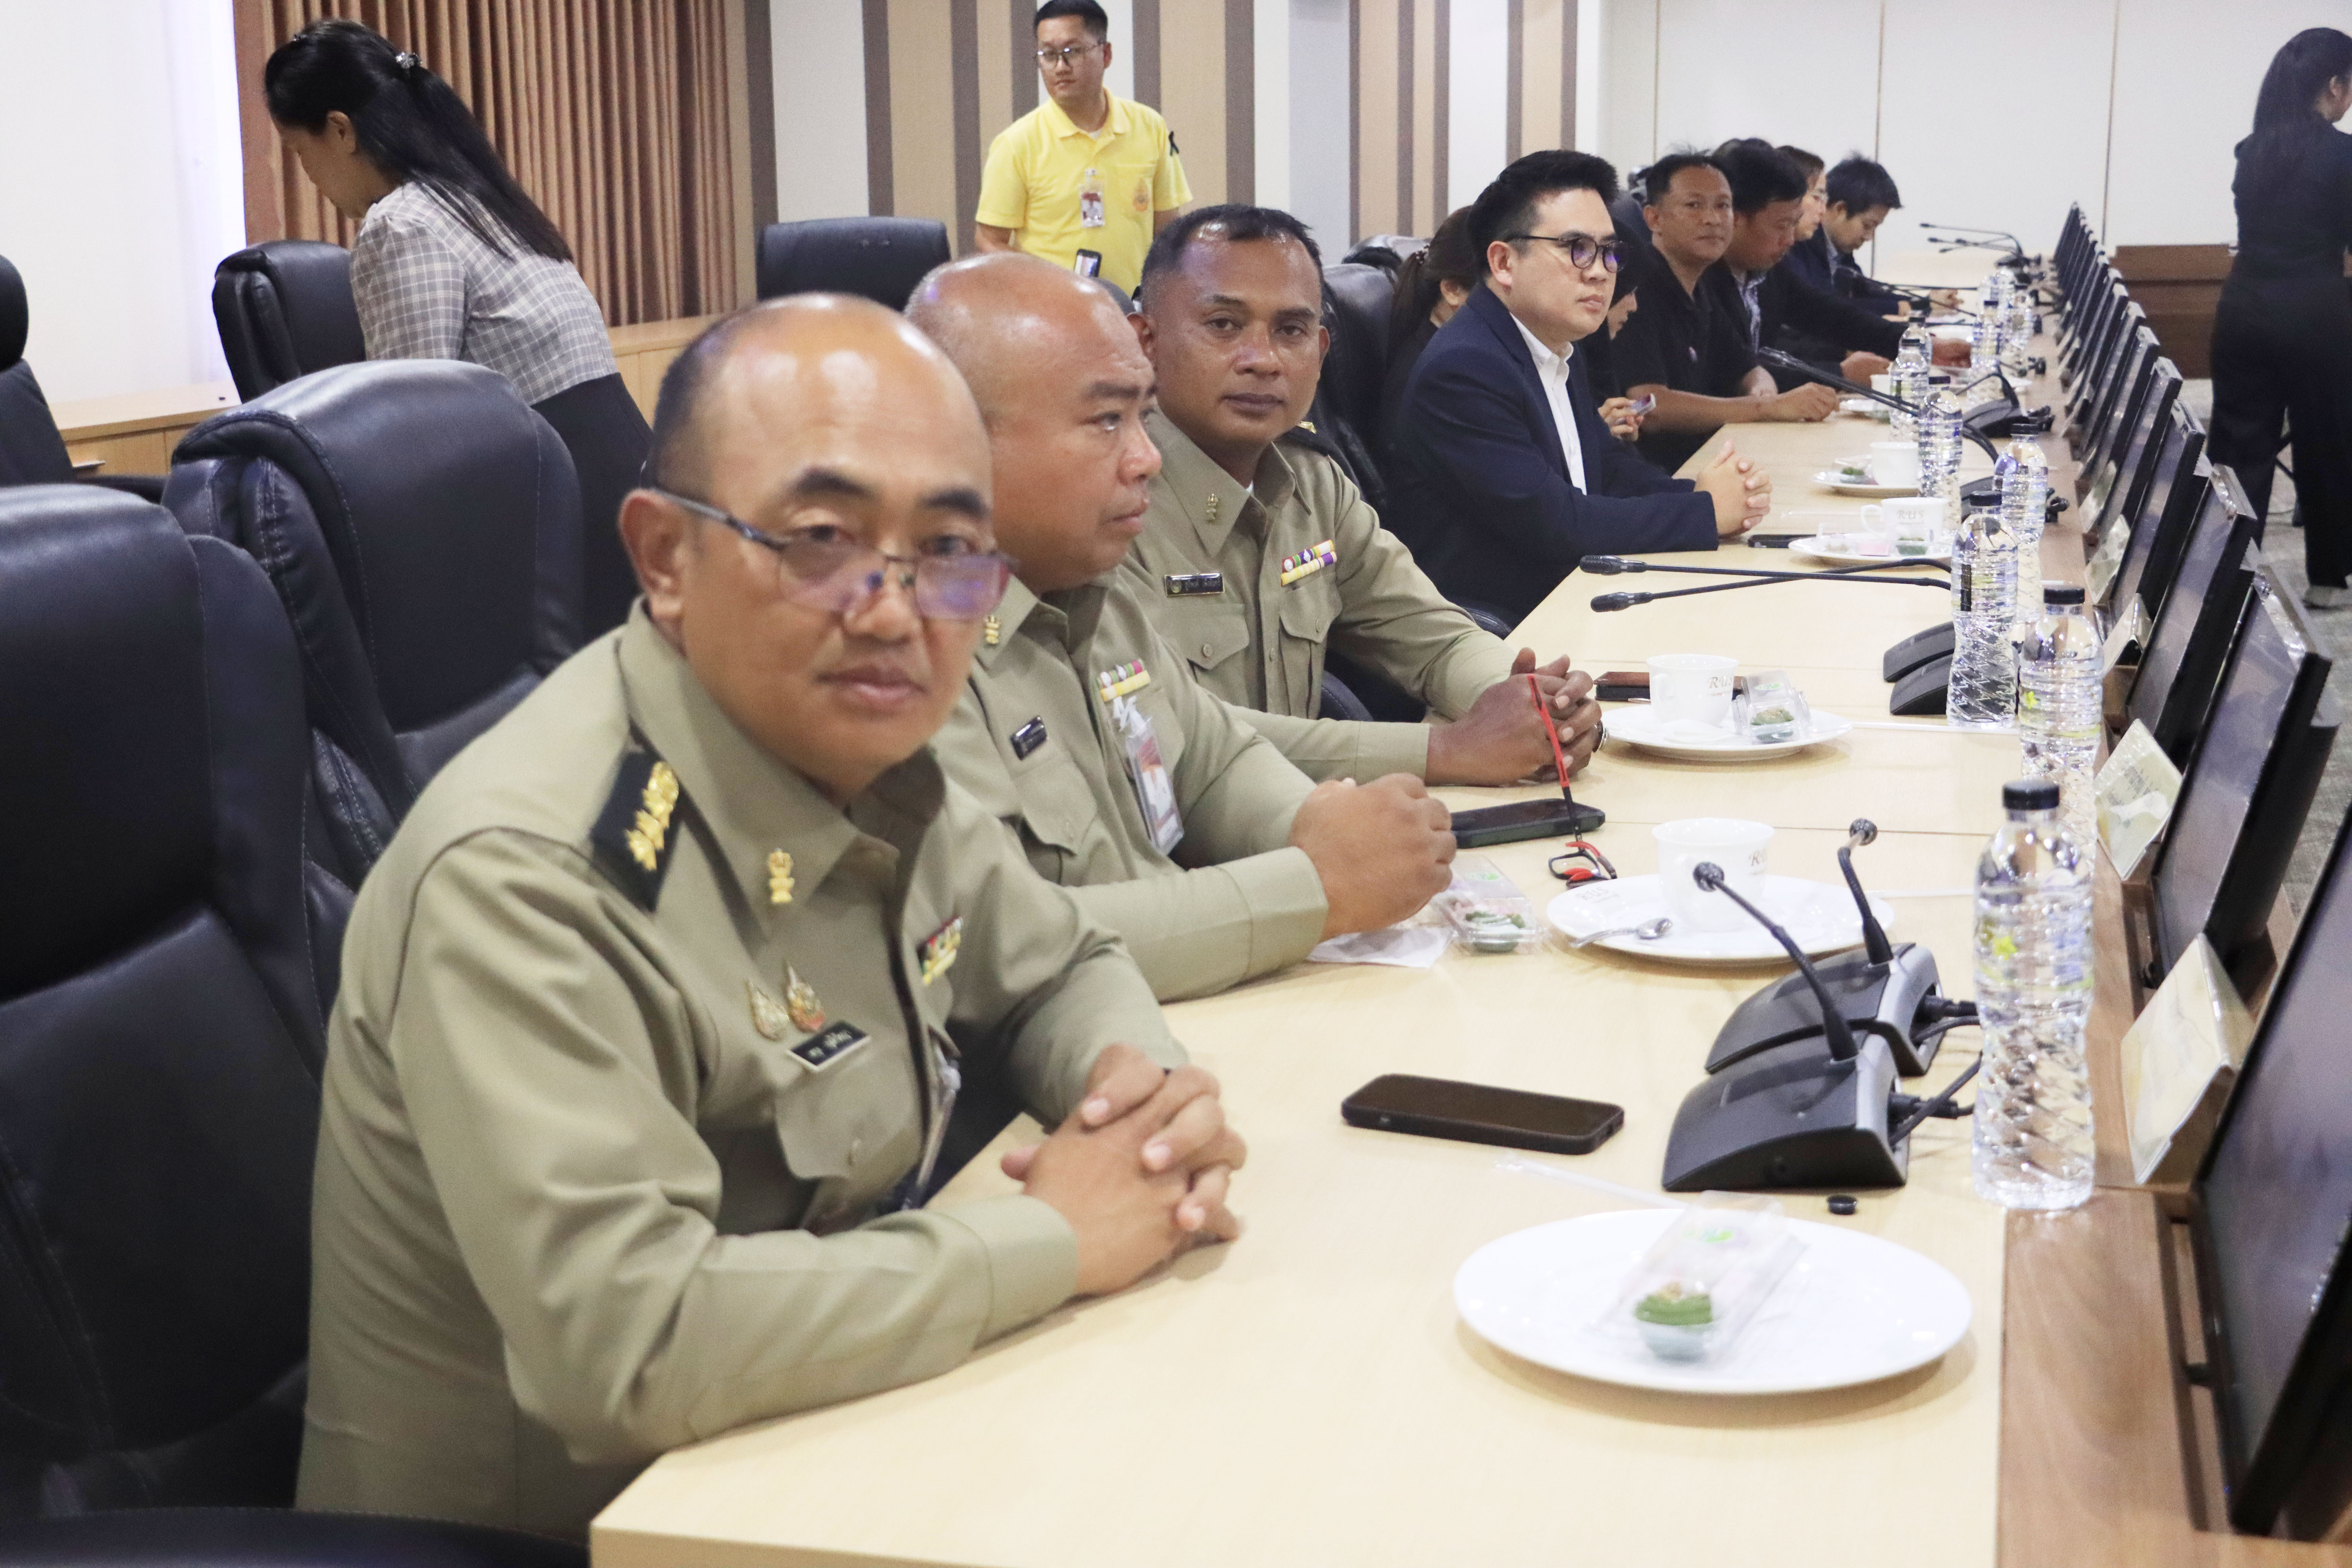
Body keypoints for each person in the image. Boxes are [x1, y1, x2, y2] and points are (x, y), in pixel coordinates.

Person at [296, 294, 1246, 1537]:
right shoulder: (530, 878)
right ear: (663, 558)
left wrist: (1144, 1118)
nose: (894, 610)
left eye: (948, 548)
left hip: (834, 1450)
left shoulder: (861, 749)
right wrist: (1049, 1235)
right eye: (819, 539)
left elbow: (1061, 961)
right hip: (601, 1534)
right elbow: (631, 1342)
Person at [909, 254, 1456, 1001]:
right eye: (1108, 420)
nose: (1145, 458)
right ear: (953, 443)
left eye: (1142, 415)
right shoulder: (907, 655)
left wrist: (1323, 828)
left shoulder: (1089, 589)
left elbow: (1210, 761)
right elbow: (1004, 940)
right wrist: (1316, 888)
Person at [1126, 204, 1606, 782]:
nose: (1263, 360)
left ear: (1321, 351)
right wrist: (1445, 750)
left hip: (1319, 818)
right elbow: (1175, 731)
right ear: (1145, 342)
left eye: (1291, 331)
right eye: (1224, 325)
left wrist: (1533, 704)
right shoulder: (1110, 508)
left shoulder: (1313, 482)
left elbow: (1432, 636)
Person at [264, 20, 649, 636]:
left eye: (298, 152)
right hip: (631, 484)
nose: (308, 175)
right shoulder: (480, 198)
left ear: (340, 130)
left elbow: (413, 433)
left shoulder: (401, 224)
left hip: (559, 517)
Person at [1388, 151, 1771, 624]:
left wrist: (1710, 495)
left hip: (1573, 595)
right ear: (1504, 262)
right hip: (1508, 627)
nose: (1600, 271)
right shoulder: (1465, 369)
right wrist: (1705, 512)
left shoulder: (1552, 343)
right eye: (1576, 248)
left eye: (1608, 251)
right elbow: (1558, 524)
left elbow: (1604, 469)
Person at [2209, 26, 2352, 609]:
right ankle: (2328, 580)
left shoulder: (2252, 152)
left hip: (2243, 311)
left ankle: (2227, 576)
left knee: (2239, 448)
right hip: (2315, 314)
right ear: (2334, 85)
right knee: (2326, 442)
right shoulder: (2343, 155)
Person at [1609, 149, 1833, 475]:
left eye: (1723, 206)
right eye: (1694, 205)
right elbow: (1650, 405)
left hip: (1706, 462)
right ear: (1654, 219)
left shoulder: (1701, 288)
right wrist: (1764, 408)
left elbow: (1748, 368)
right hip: (1657, 476)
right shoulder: (1635, 290)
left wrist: (1761, 390)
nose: (1713, 219)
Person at [974, 1, 1190, 292]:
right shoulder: (1016, 144)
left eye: (1072, 52)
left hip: (1132, 306)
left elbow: (1168, 231)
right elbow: (989, 241)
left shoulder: (1151, 127)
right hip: (1053, 308)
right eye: (1049, 55)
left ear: (1106, 54)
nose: (1060, 67)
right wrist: (1048, 285)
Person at [1815, 155, 1910, 314]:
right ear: (1840, 210)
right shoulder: (1802, 245)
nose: (1869, 237)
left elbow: (1868, 292)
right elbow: (1826, 305)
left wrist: (1923, 303)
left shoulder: (1839, 251)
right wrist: (1897, 308)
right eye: (1868, 226)